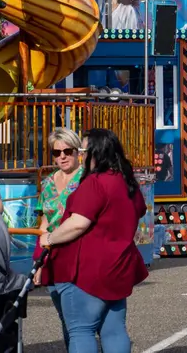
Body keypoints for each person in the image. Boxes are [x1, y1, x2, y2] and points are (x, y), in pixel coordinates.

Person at [41, 129, 148, 353]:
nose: (80, 155)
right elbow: (139, 210)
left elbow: (78, 223)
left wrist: (49, 238)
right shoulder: (126, 182)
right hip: (118, 266)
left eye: (82, 150)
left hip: (86, 271)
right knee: (114, 330)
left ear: (95, 152)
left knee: (81, 331)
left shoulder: (95, 182)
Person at [33, 128, 84, 344]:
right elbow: (44, 224)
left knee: (81, 319)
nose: (62, 156)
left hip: (81, 252)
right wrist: (38, 262)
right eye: (56, 152)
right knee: (65, 315)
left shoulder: (87, 179)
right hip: (53, 255)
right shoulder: (47, 183)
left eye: (67, 151)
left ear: (77, 151)